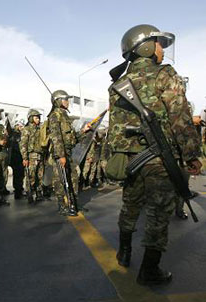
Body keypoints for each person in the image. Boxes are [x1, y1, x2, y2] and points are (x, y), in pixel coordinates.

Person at [108, 24, 202, 285]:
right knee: (159, 213)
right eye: (158, 43)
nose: (161, 49)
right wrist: (193, 154)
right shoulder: (165, 75)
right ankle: (149, 270)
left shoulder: (118, 84)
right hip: (158, 159)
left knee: (130, 206)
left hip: (129, 159)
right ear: (146, 47)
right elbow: (180, 118)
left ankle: (124, 252)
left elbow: (116, 129)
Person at [47, 90, 81, 216]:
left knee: (73, 178)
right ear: (58, 101)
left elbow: (72, 137)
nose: (68, 102)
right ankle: (63, 206)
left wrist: (84, 131)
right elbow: (56, 137)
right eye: (65, 99)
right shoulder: (55, 116)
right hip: (60, 154)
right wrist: (61, 155)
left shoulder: (65, 116)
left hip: (69, 152)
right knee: (60, 180)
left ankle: (74, 204)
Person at [20, 109, 44, 204]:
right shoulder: (27, 129)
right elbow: (23, 144)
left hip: (40, 155)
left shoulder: (40, 129)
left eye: (38, 117)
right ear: (30, 118)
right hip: (31, 156)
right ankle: (30, 194)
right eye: (36, 117)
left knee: (40, 176)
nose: (38, 119)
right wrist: (25, 158)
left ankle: (38, 194)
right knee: (31, 177)